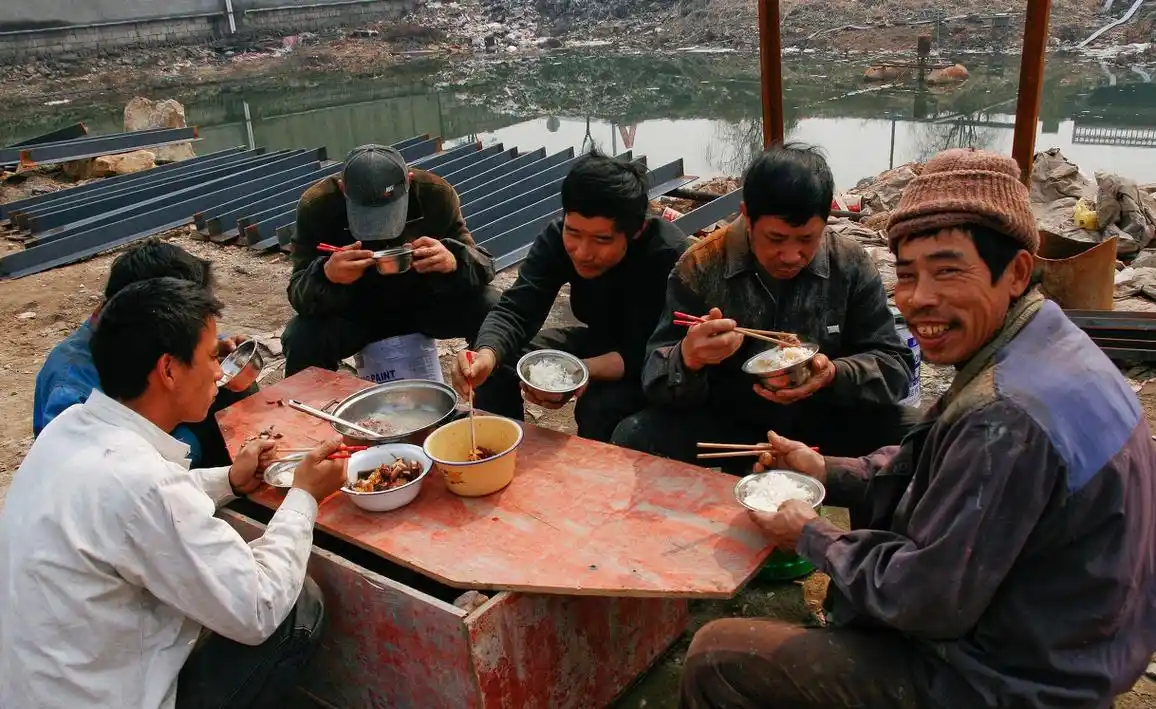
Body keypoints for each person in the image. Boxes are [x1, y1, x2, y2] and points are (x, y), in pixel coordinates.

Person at [679, 149, 1156, 709]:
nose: (919, 298)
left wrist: (809, 534)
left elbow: (924, 599)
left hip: (1013, 680)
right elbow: (933, 458)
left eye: (949, 270)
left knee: (718, 657)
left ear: (1018, 271)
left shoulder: (1006, 416)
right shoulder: (1048, 343)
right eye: (907, 274)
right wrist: (825, 470)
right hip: (1068, 646)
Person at [0, 277, 350, 709]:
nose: (219, 372)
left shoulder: (69, 431)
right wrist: (304, 497)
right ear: (168, 369)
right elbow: (257, 608)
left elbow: (143, 501)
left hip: (43, 687)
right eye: (208, 357)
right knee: (296, 608)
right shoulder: (142, 483)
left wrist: (231, 481)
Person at [612, 144, 916, 464]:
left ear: (827, 215)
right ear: (747, 215)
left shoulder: (849, 264)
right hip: (729, 420)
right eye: (775, 239)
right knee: (635, 434)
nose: (790, 256)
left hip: (822, 415)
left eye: (806, 240)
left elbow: (894, 367)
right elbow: (654, 377)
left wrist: (833, 373)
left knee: (922, 433)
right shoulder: (701, 265)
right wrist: (688, 358)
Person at [452, 152, 689, 442]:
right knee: (497, 363)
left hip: (656, 361)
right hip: (598, 340)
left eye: (602, 240)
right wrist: (485, 355)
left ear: (636, 230)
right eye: (573, 232)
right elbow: (518, 308)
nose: (582, 251)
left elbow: (655, 353)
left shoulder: (668, 255)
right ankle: (501, 447)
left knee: (600, 406)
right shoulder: (556, 239)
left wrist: (573, 374)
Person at [32, 239, 254, 467]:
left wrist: (215, 352)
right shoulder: (71, 389)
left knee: (228, 388)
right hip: (128, 466)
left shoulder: (134, 334)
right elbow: (92, 473)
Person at [282, 144, 499, 376]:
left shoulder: (435, 194)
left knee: (493, 307)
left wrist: (454, 261)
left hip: (424, 305)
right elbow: (298, 293)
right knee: (300, 336)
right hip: (355, 312)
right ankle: (309, 411)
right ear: (344, 189)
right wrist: (326, 275)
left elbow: (485, 266)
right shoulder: (317, 206)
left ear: (409, 180)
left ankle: (496, 408)